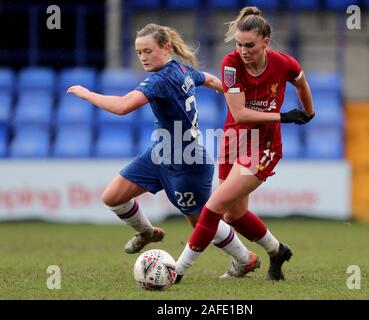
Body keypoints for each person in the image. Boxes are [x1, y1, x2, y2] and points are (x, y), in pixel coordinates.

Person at [67, 23, 260, 280]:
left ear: (166, 48)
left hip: (187, 162)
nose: (143, 57)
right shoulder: (182, 70)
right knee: (113, 196)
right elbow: (211, 79)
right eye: (139, 52)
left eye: (148, 51)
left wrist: (88, 93)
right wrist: (233, 94)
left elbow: (124, 106)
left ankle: (245, 258)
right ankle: (147, 232)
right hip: (160, 153)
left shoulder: (162, 79)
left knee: (202, 224)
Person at [175, 7, 315, 282]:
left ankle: (176, 271)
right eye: (239, 44)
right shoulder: (230, 64)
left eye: (249, 45)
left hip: (263, 147)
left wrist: (309, 113)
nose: (243, 50)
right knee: (233, 215)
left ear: (266, 41)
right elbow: (240, 114)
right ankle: (277, 251)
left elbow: (300, 81)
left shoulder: (284, 63)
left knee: (213, 206)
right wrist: (285, 116)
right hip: (234, 139)